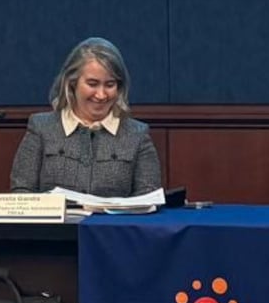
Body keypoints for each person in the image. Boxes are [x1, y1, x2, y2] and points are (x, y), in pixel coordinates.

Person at [10, 36, 161, 196]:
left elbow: (149, 198)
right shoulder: (41, 128)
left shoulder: (137, 135)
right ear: (72, 83)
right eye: (92, 84)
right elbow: (22, 192)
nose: (101, 95)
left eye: (110, 85)